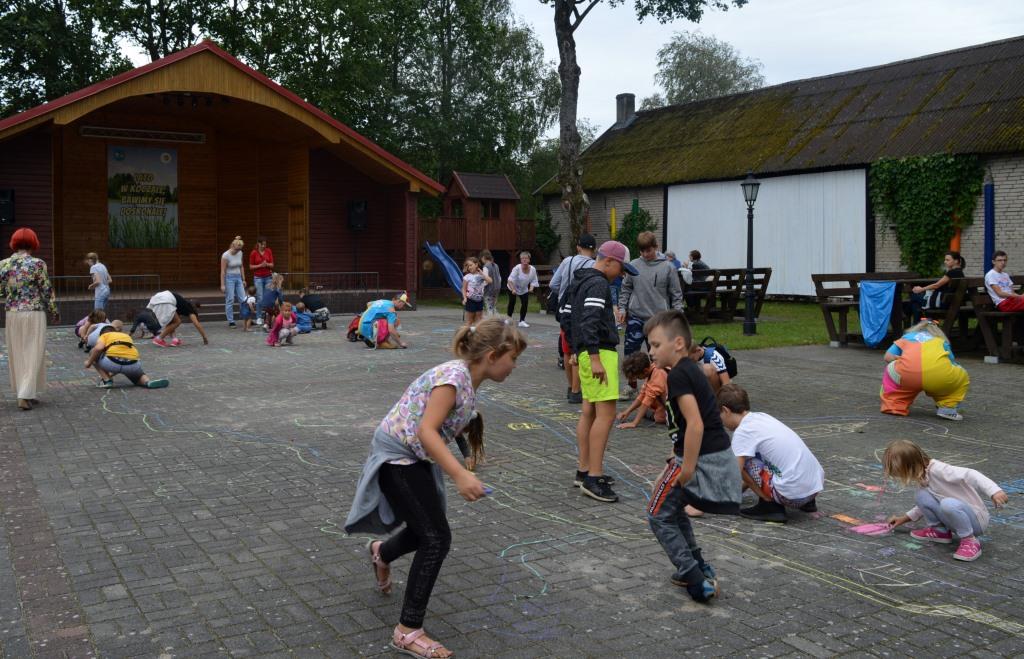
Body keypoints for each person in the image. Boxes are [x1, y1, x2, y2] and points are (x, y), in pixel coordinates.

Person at [345, 318, 526, 659]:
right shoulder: (453, 379)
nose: (514, 366)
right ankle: (407, 631)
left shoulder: (467, 378)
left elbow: (446, 426)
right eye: (512, 358)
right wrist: (459, 475)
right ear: (491, 356)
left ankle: (381, 553)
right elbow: (427, 430)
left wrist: (464, 455)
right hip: (397, 456)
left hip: (412, 455)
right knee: (436, 538)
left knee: (426, 530)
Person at [644, 309, 741, 603]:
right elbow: (689, 427)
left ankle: (695, 579)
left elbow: (696, 424)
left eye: (656, 345)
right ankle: (698, 566)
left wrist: (686, 468)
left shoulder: (679, 376)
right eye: (649, 346)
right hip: (703, 455)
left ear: (678, 344)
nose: (651, 352)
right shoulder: (689, 370)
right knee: (673, 511)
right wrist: (675, 458)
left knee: (657, 515)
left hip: (699, 459)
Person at [563, 240, 638, 502]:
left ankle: (584, 470)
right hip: (599, 353)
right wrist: (594, 357)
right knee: (605, 415)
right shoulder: (598, 284)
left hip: (586, 351)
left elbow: (566, 316)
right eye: (621, 269)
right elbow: (590, 321)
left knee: (589, 411)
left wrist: (576, 349)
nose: (622, 275)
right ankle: (594, 477)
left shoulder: (579, 281)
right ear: (609, 261)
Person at [884, 440, 1008, 562]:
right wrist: (904, 518)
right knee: (922, 495)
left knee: (948, 504)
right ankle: (940, 531)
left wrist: (994, 491)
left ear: (910, 465)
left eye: (901, 473)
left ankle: (970, 541)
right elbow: (926, 503)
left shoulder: (939, 469)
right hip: (955, 514)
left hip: (976, 520)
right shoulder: (923, 475)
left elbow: (971, 474)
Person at [718, 384, 824, 523]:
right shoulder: (762, 417)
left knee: (741, 460)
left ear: (726, 410)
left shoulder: (743, 431)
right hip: (813, 489)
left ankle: (769, 506)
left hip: (792, 496)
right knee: (754, 456)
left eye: (719, 415)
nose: (721, 421)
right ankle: (807, 504)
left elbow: (735, 472)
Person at [618, 231, 683, 396]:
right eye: (642, 251)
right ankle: (631, 386)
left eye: (649, 250)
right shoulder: (634, 266)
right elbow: (625, 289)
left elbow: (676, 294)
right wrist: (622, 308)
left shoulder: (668, 267)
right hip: (636, 317)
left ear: (656, 247)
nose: (646, 254)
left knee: (657, 355)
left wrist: (678, 317)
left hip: (658, 320)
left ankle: (658, 386)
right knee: (630, 354)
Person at [0, 228, 58, 411]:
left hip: (12, 313)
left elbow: (1, 291)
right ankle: (25, 395)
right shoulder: (38, 264)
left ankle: (27, 392)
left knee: (17, 353)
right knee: (33, 352)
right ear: (33, 242)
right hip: (34, 312)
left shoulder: (3, 264)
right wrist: (54, 311)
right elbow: (46, 290)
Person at [881, 319, 969, 421]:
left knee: (891, 368)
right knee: (961, 373)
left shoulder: (906, 338)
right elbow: (951, 362)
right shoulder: (941, 341)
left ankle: (894, 405)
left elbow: (887, 357)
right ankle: (947, 409)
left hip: (908, 376)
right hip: (938, 377)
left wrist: (902, 361)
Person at [550, 233, 597, 402]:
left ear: (578, 247)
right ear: (594, 249)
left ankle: (570, 387)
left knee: (566, 349)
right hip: (582, 312)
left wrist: (563, 295)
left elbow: (553, 284)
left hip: (565, 311)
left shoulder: (567, 261)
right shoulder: (594, 265)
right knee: (579, 349)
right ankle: (577, 391)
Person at [85, 325, 169, 389]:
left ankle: (107, 381)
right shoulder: (126, 336)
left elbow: (98, 348)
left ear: (102, 333)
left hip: (113, 363)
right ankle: (147, 382)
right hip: (133, 364)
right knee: (137, 375)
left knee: (93, 352)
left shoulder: (104, 336)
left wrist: (89, 362)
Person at [909, 250, 966, 322]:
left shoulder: (952, 273)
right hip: (950, 303)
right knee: (915, 304)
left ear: (956, 261)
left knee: (914, 297)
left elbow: (936, 285)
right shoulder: (960, 272)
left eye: (947, 260)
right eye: (945, 260)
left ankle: (916, 324)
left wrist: (921, 289)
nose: (945, 262)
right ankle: (921, 323)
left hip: (942, 303)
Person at [616, 352, 668, 428]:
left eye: (637, 377)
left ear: (645, 371)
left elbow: (647, 400)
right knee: (642, 408)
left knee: (658, 418)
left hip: (673, 406)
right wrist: (627, 411)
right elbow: (642, 395)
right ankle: (649, 411)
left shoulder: (658, 374)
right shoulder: (652, 369)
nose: (637, 379)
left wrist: (634, 423)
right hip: (664, 402)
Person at [506, 251, 538, 328]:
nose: (524, 260)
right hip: (512, 286)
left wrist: (531, 288)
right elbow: (510, 280)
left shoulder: (533, 269)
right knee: (512, 302)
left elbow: (534, 280)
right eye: (522, 258)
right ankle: (508, 319)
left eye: (526, 258)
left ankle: (522, 321)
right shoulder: (517, 268)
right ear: (520, 260)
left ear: (529, 260)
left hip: (523, 288)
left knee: (525, 303)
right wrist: (513, 290)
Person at [220, 236, 247, 328]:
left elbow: (241, 266)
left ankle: (245, 318)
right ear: (232, 246)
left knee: (243, 299)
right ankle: (231, 321)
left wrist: (243, 279)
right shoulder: (225, 255)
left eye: (240, 249)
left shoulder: (240, 253)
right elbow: (223, 271)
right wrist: (222, 284)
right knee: (230, 299)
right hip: (229, 278)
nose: (238, 251)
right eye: (237, 249)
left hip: (238, 277)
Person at [249, 236, 275, 323]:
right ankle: (259, 317)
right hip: (258, 277)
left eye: (265, 244)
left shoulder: (268, 251)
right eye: (262, 244)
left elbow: (272, 264)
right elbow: (251, 266)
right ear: (258, 244)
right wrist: (260, 265)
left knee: (268, 297)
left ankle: (268, 316)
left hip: (268, 277)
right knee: (260, 297)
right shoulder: (254, 253)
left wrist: (266, 264)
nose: (264, 246)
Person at [461, 256, 491, 326]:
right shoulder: (467, 277)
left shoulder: (481, 275)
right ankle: (465, 332)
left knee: (479, 320)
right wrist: (465, 298)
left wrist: (482, 274)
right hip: (470, 300)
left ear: (476, 264)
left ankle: (477, 332)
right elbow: (463, 289)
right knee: (470, 321)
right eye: (468, 266)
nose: (469, 267)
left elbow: (490, 281)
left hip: (480, 300)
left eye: (471, 265)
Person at [479, 250, 501, 316]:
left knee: (489, 307)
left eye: (481, 259)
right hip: (496, 289)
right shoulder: (496, 265)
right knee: (494, 307)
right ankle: (497, 319)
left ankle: (491, 320)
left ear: (483, 257)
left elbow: (486, 280)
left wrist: (481, 287)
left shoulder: (486, 266)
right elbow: (499, 278)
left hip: (489, 290)